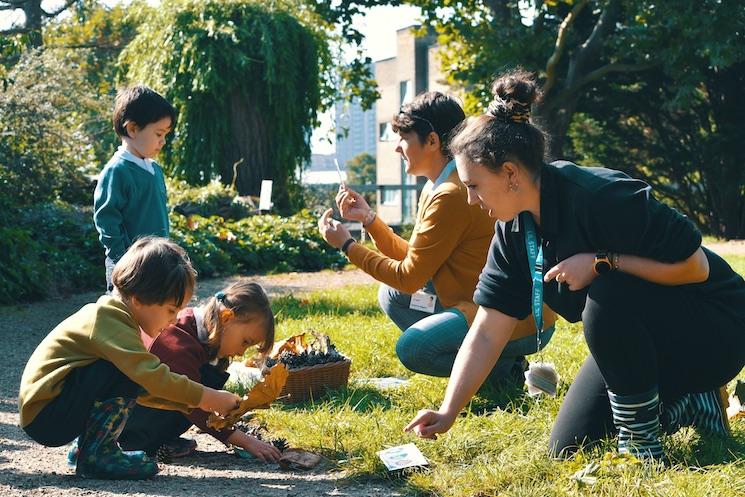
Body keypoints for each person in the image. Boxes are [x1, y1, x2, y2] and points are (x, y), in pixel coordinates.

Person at [405, 68, 745, 462]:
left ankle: (641, 439)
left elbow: (696, 268)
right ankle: (690, 403)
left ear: (510, 174)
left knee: (608, 284)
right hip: (641, 346)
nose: (470, 200)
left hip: (714, 330)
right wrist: (449, 410)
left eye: (473, 186)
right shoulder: (512, 227)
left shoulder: (601, 196)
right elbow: (487, 329)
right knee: (568, 448)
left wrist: (603, 261)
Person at [318, 91, 555, 388]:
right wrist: (370, 220)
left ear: (431, 141)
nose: (397, 149)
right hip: (484, 304)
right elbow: (418, 261)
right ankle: (501, 364)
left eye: (403, 138)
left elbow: (408, 276)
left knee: (413, 348)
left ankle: (499, 374)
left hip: (516, 319)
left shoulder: (450, 193)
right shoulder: (438, 185)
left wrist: (347, 245)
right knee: (390, 295)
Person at [19, 237, 240, 479]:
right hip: (48, 417)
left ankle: (87, 449)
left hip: (53, 412)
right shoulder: (107, 319)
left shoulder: (116, 322)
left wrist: (192, 403)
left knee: (127, 372)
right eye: (171, 310)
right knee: (126, 370)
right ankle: (98, 455)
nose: (175, 319)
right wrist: (207, 396)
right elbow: (151, 377)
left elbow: (141, 390)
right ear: (138, 299)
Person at [118, 280, 282, 463]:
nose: (241, 352)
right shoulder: (177, 340)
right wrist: (246, 441)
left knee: (210, 375)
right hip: (122, 423)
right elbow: (194, 404)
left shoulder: (203, 338)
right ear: (227, 318)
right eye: (245, 342)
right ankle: (139, 441)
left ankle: (159, 439)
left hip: (141, 412)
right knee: (192, 390)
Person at [94, 85, 177, 292]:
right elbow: (107, 220)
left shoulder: (155, 169)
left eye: (165, 135)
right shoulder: (117, 170)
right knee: (125, 320)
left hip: (158, 262)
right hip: (130, 268)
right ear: (132, 129)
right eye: (159, 134)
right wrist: (124, 261)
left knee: (155, 319)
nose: (163, 141)